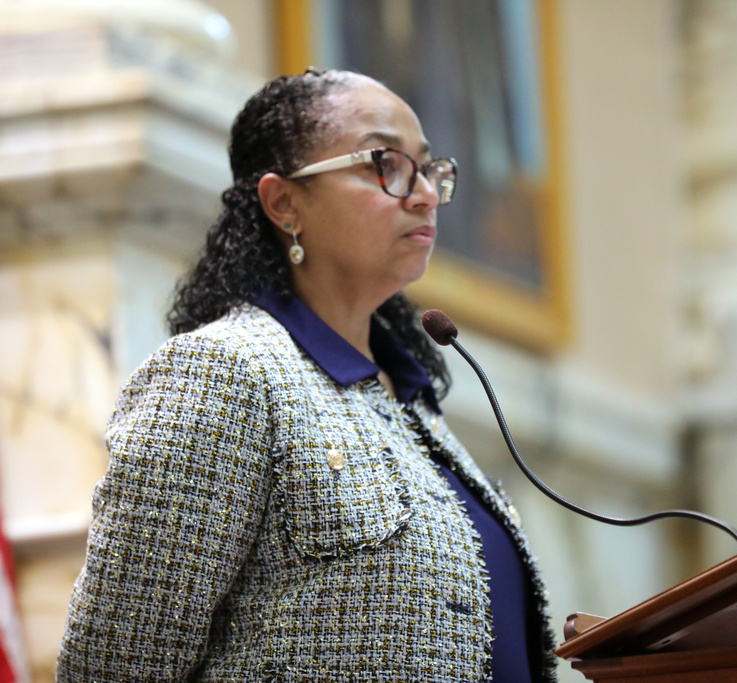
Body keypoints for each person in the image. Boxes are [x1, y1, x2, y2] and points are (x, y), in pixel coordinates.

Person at [57, 68, 557, 682]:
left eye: (429, 169)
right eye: (386, 164)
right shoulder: (226, 373)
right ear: (284, 203)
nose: (424, 193)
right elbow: (116, 664)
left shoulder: (412, 398)